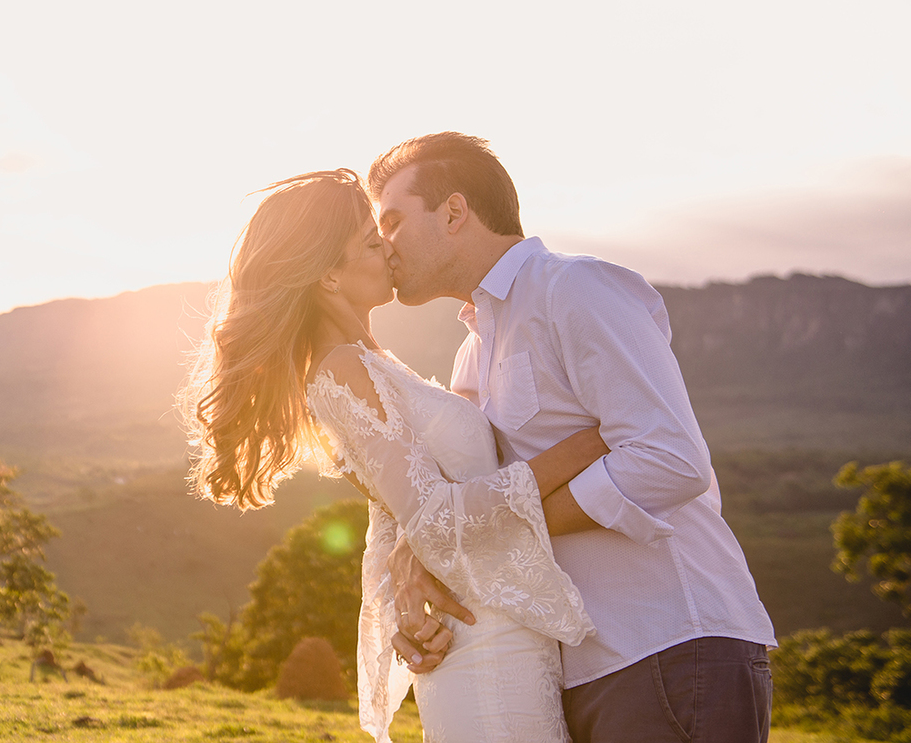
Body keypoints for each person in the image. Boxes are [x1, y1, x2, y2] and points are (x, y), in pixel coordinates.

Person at [366, 132, 776, 743]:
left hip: (668, 641)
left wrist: (511, 523)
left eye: (393, 220)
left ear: (453, 212)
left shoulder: (574, 289)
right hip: (570, 665)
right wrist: (421, 564)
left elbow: (670, 458)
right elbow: (462, 508)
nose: (383, 245)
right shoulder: (473, 353)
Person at [180, 169, 608, 742]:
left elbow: (396, 518)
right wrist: (591, 441)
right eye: (368, 240)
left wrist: (404, 601)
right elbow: (431, 518)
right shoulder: (340, 371)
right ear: (329, 275)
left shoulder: (369, 361)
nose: (387, 247)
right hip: (482, 648)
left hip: (496, 630)